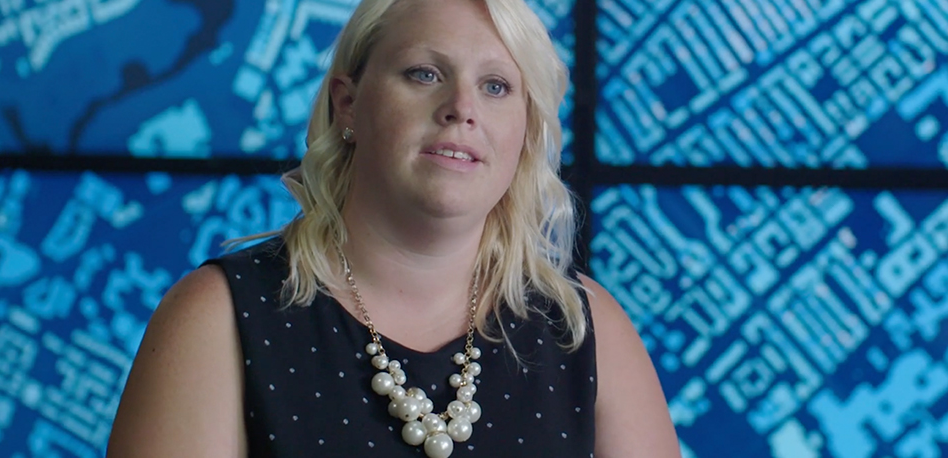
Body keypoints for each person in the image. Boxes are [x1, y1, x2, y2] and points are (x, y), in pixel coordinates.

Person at [106, 0, 679, 456]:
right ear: (349, 104)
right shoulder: (217, 319)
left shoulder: (584, 328)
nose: (461, 107)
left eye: (497, 86)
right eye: (424, 73)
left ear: (525, 130)